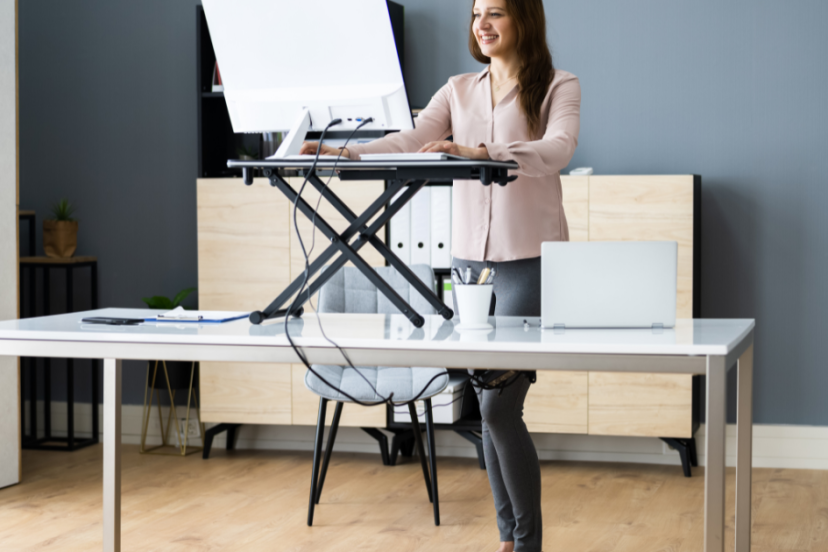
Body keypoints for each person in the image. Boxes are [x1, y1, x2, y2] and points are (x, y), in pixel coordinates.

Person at [301, 0, 579, 550]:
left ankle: (526, 541)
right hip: (469, 264)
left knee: (501, 405)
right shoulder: (457, 89)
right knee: (486, 407)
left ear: (524, 17)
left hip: (529, 259)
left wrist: (482, 152)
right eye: (477, 13)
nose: (483, 23)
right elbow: (410, 139)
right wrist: (347, 154)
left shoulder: (557, 84)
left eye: (496, 12)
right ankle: (510, 538)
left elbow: (558, 149)